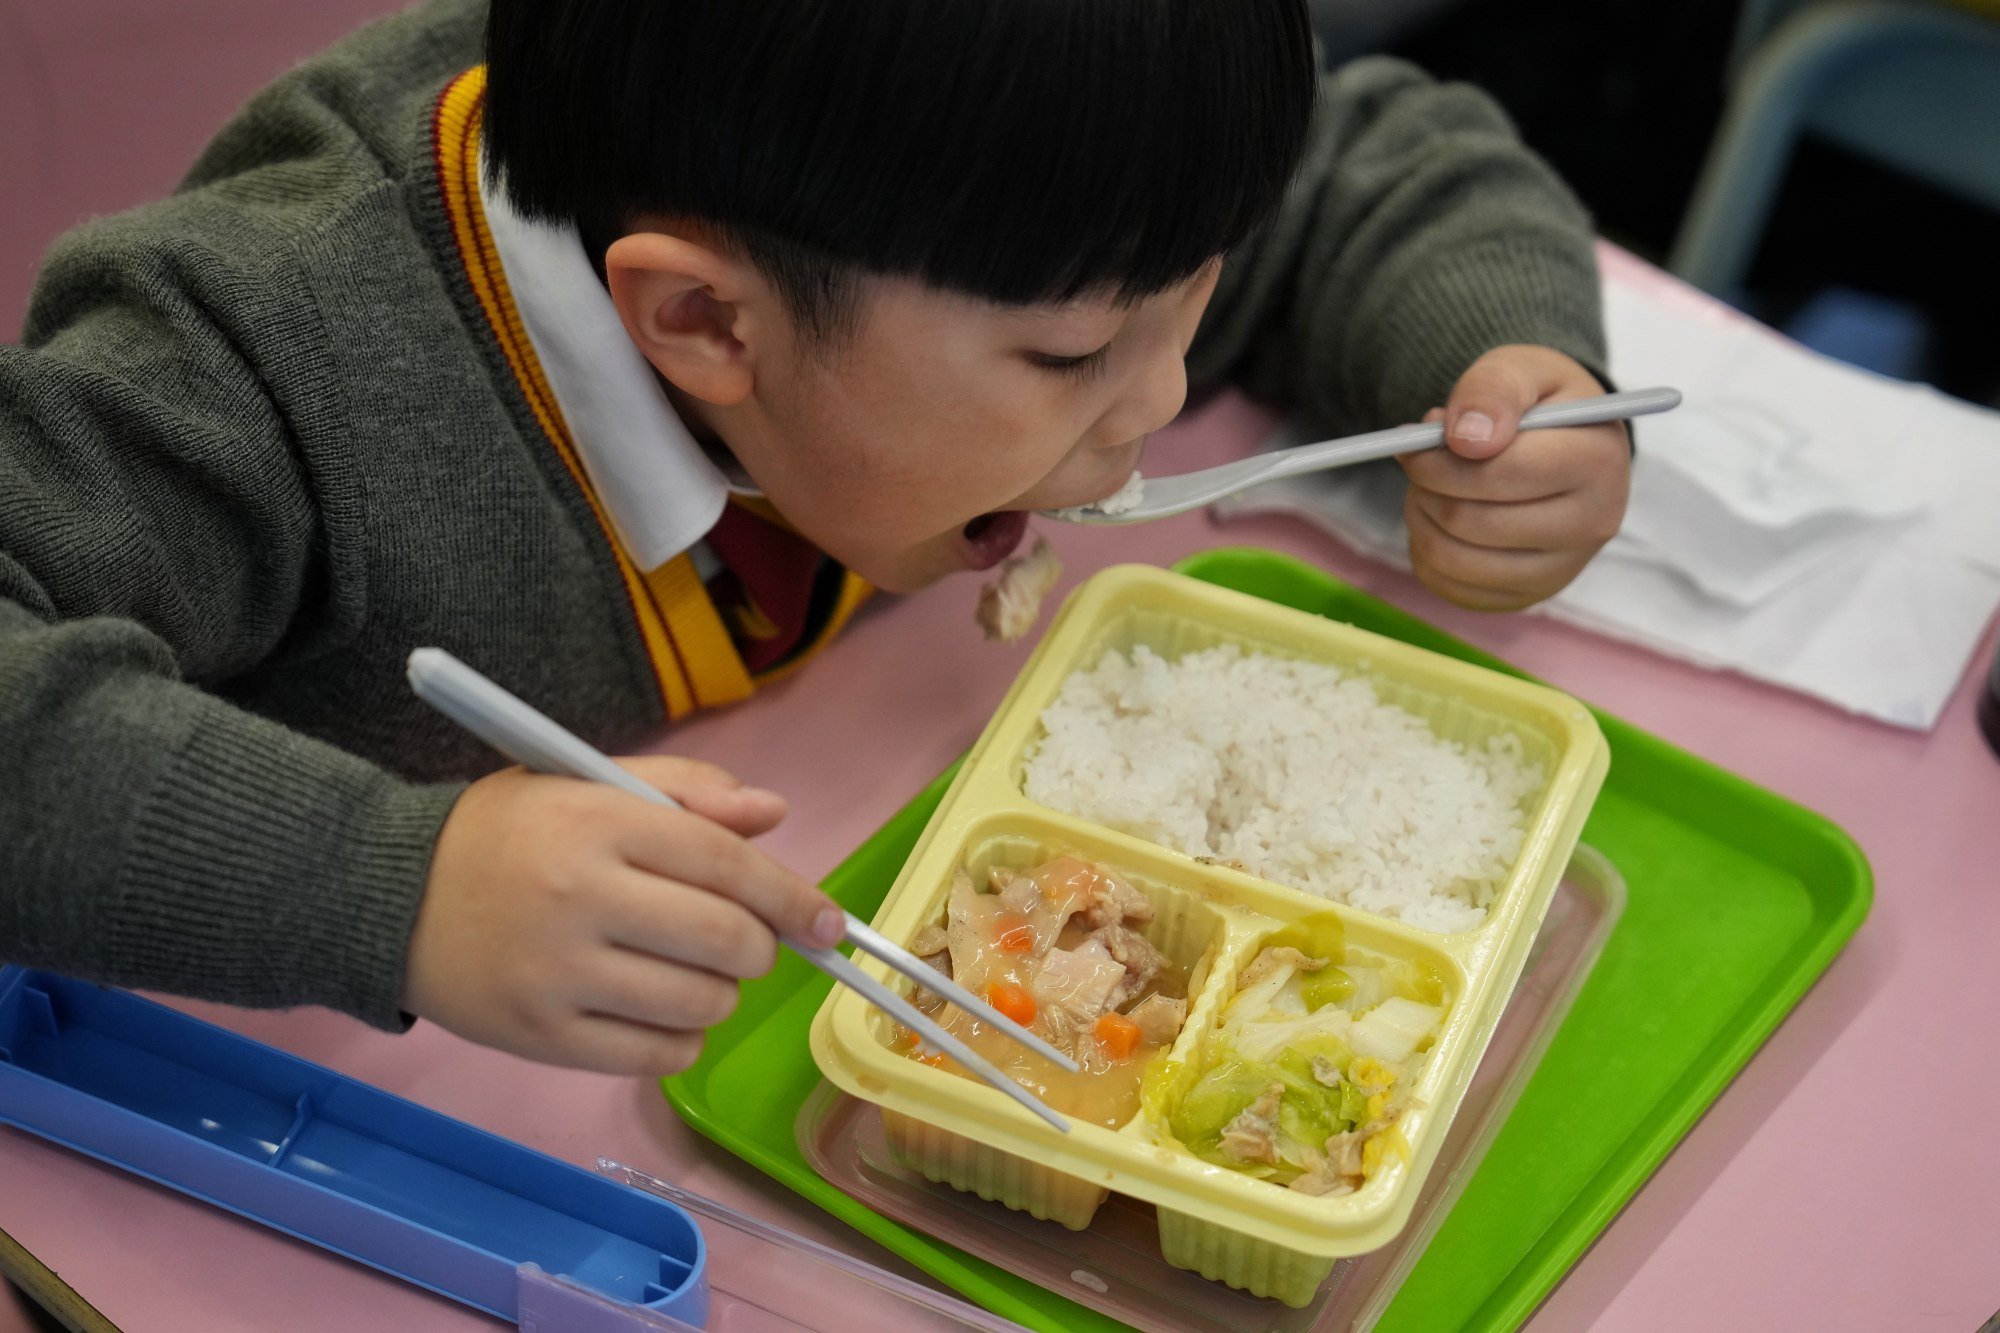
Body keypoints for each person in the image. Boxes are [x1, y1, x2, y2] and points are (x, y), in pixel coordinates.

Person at [0, 0, 1625, 1078]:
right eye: (1075, 360)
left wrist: (1498, 366)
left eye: (1193, 301)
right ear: (706, 319)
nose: (1158, 400)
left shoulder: (1004, 209)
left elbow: (1370, 163)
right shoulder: (274, 350)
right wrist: (395, 883)